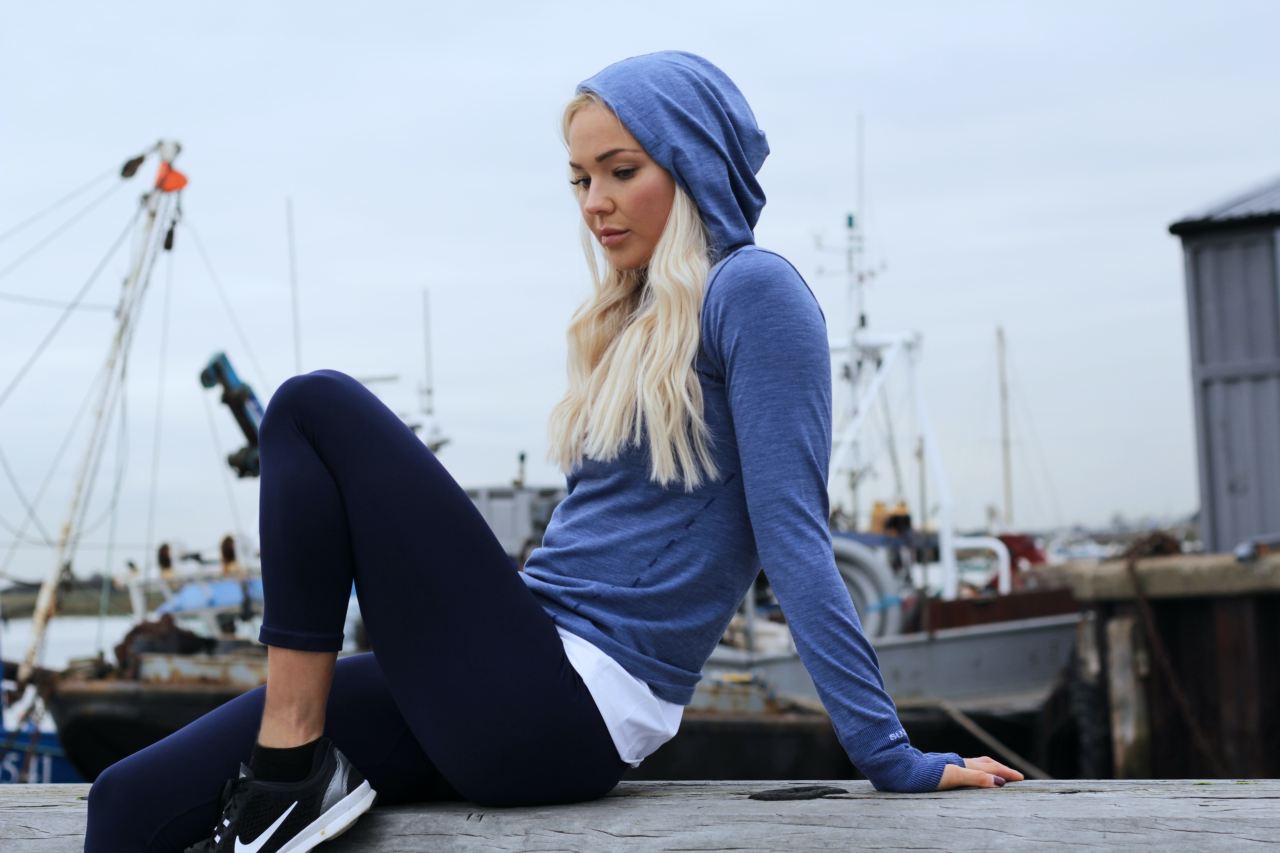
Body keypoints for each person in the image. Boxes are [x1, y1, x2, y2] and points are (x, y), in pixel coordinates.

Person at [84, 51, 1022, 853]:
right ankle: (291, 776)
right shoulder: (635, 316)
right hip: (511, 670)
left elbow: (795, 536)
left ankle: (290, 772)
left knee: (309, 408)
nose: (596, 203)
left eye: (621, 170)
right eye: (580, 179)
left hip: (568, 706)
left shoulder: (756, 291)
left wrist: (891, 755)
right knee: (125, 805)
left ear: (690, 164)